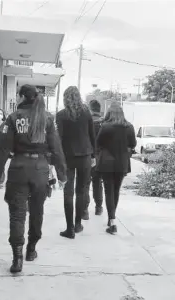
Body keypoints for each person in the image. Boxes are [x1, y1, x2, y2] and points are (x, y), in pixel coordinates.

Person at [0, 84, 67, 274]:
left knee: (17, 214)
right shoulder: (48, 118)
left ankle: (17, 259)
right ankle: (31, 249)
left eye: (17, 96)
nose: (16, 99)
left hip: (19, 168)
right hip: (40, 170)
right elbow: (57, 149)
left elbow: (3, 150)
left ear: (23, 96)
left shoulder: (13, 118)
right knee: (37, 211)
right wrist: (62, 175)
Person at [56, 86, 96, 239]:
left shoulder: (61, 115)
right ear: (79, 97)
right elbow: (92, 135)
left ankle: (69, 229)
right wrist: (94, 155)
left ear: (65, 98)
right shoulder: (86, 112)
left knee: (68, 192)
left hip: (68, 157)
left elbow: (59, 138)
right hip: (85, 155)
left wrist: (58, 159)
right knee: (81, 191)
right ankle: (78, 224)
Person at [96, 102, 136, 234]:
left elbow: (98, 143)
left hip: (107, 162)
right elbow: (133, 144)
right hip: (122, 162)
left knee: (108, 191)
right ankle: (111, 218)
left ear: (109, 113)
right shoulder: (129, 127)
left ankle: (112, 221)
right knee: (116, 191)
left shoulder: (105, 126)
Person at [88, 99, 104, 215]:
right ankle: (98, 207)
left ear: (90, 109)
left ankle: (84, 209)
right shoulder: (103, 124)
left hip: (87, 156)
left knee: (84, 183)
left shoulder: (87, 123)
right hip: (100, 157)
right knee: (97, 182)